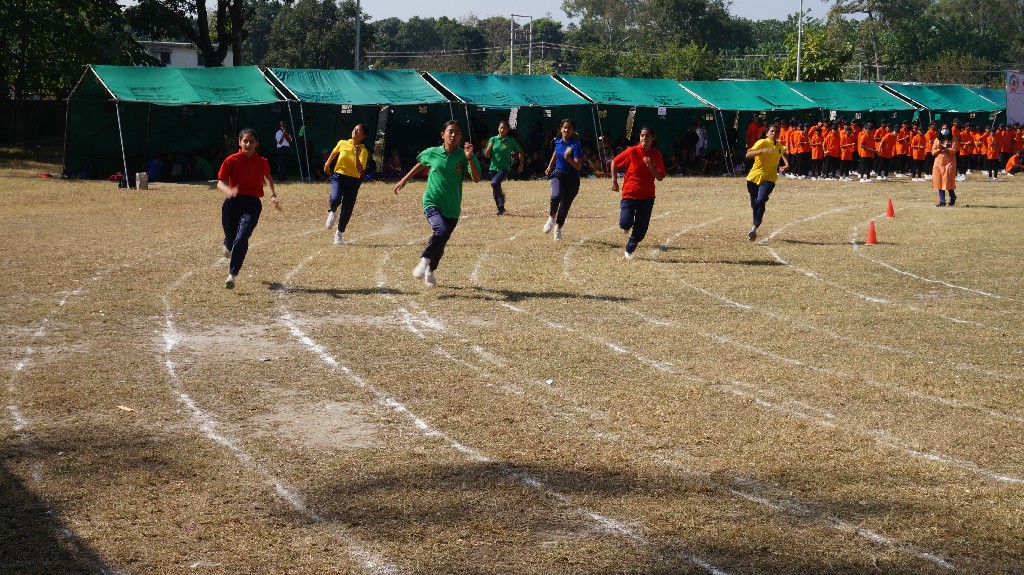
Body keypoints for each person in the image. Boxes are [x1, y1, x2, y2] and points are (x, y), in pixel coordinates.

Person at [393, 121, 481, 287]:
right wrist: (405, 179)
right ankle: (424, 260)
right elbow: (421, 163)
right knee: (441, 230)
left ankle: (430, 270)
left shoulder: (464, 155)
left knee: (441, 243)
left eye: (457, 133)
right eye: (450, 132)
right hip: (432, 201)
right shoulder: (433, 152)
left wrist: (469, 159)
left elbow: (476, 179)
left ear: (461, 137)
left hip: (452, 208)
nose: (453, 135)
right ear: (443, 135)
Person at [217, 128, 279, 289]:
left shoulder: (262, 162)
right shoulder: (231, 160)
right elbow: (220, 182)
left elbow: (268, 177)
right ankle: (227, 242)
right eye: (245, 141)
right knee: (231, 237)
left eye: (252, 141)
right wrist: (228, 190)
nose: (248, 144)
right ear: (239, 142)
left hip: (252, 204)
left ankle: (232, 274)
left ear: (257, 143)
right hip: (232, 202)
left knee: (242, 237)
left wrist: (273, 195)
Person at [610, 126, 666, 260]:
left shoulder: (656, 154)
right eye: (642, 135)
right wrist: (614, 181)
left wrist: (650, 166)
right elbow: (614, 162)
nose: (644, 138)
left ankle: (629, 249)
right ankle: (626, 224)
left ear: (653, 138)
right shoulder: (632, 151)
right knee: (625, 223)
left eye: (647, 136)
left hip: (647, 196)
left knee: (641, 228)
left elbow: (660, 177)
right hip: (630, 192)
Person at [323, 124, 369, 245]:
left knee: (347, 208)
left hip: (354, 180)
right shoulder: (342, 143)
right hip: (339, 176)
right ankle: (333, 211)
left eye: (358, 130)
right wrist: (327, 164)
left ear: (363, 135)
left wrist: (355, 154)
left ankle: (339, 234)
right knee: (335, 198)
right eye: (354, 129)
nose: (354, 131)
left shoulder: (363, 151)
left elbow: (360, 169)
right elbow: (333, 153)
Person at [744, 123, 789, 242]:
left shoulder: (779, 146)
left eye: (776, 132)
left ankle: (754, 228)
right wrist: (762, 151)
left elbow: (781, 152)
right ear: (767, 132)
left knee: (761, 199)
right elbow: (748, 154)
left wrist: (787, 164)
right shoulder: (762, 142)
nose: (774, 134)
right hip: (754, 177)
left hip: (769, 178)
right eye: (772, 131)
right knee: (755, 204)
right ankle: (755, 224)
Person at [543, 118, 584, 240]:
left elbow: (578, 166)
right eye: (564, 127)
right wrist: (550, 165)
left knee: (564, 207)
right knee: (556, 195)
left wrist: (569, 158)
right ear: (560, 129)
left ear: (573, 130)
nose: (566, 130)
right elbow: (556, 152)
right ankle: (551, 217)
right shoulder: (557, 142)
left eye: (569, 128)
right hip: (558, 174)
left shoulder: (575, 145)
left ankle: (558, 228)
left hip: (572, 179)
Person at [484, 119, 523, 215]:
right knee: (495, 191)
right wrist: (489, 148)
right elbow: (486, 155)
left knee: (494, 183)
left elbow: (520, 151)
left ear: (507, 130)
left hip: (504, 168)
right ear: (498, 129)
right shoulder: (492, 139)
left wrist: (521, 165)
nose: (502, 130)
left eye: (504, 128)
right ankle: (501, 209)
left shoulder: (510, 141)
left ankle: (501, 196)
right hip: (493, 167)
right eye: (501, 128)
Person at [931, 123, 959, 207]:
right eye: (943, 128)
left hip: (949, 163)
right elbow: (933, 152)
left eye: (946, 128)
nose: (944, 130)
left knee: (948, 181)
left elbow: (953, 151)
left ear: (949, 130)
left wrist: (944, 148)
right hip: (938, 163)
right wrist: (940, 149)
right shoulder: (937, 140)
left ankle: (952, 197)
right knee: (939, 181)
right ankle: (942, 201)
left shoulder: (953, 139)